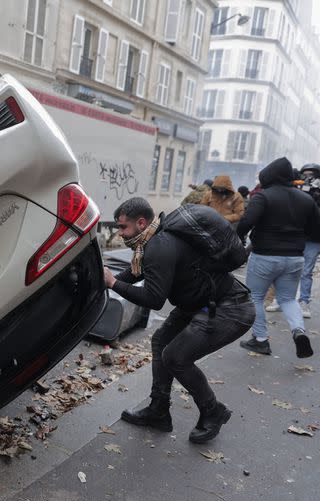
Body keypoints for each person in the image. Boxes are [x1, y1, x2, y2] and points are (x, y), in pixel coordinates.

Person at [105, 197, 254, 444]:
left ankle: (213, 411)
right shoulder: (154, 240)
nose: (120, 234)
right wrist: (106, 282)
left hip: (229, 308)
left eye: (123, 227)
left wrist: (113, 284)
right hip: (200, 303)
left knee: (176, 357)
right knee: (161, 341)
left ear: (141, 223)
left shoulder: (158, 246)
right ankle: (158, 410)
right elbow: (138, 272)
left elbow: (153, 299)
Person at [237, 157, 320, 358]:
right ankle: (298, 331)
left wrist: (239, 238)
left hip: (265, 255)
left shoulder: (264, 196)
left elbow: (246, 222)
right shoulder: (306, 199)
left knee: (255, 297)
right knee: (288, 299)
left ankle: (260, 340)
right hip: (294, 258)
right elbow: (316, 230)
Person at [297, 163, 320, 318]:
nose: (308, 177)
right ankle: (284, 299)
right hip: (300, 235)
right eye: (305, 174)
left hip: (315, 237)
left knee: (306, 271)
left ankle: (304, 301)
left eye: (311, 174)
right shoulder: (298, 191)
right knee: (293, 269)